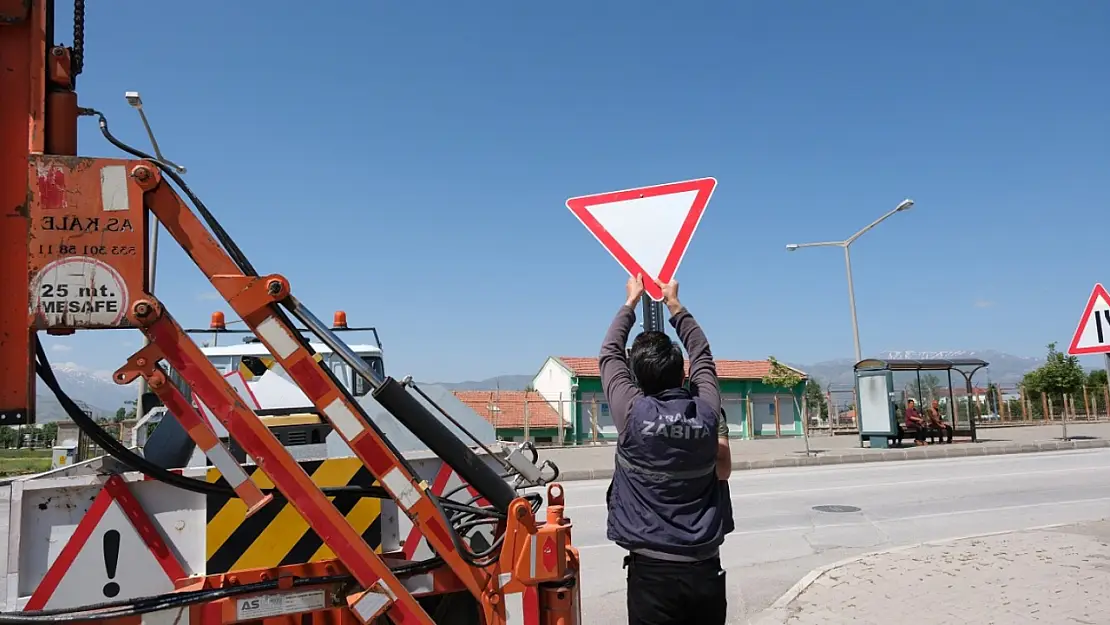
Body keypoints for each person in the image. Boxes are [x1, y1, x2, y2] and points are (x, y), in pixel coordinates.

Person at [600, 274, 733, 625]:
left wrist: (630, 301)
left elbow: (609, 353)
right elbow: (702, 356)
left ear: (638, 380)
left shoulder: (631, 413)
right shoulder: (705, 412)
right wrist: (674, 304)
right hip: (704, 567)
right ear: (681, 375)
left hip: (651, 573)